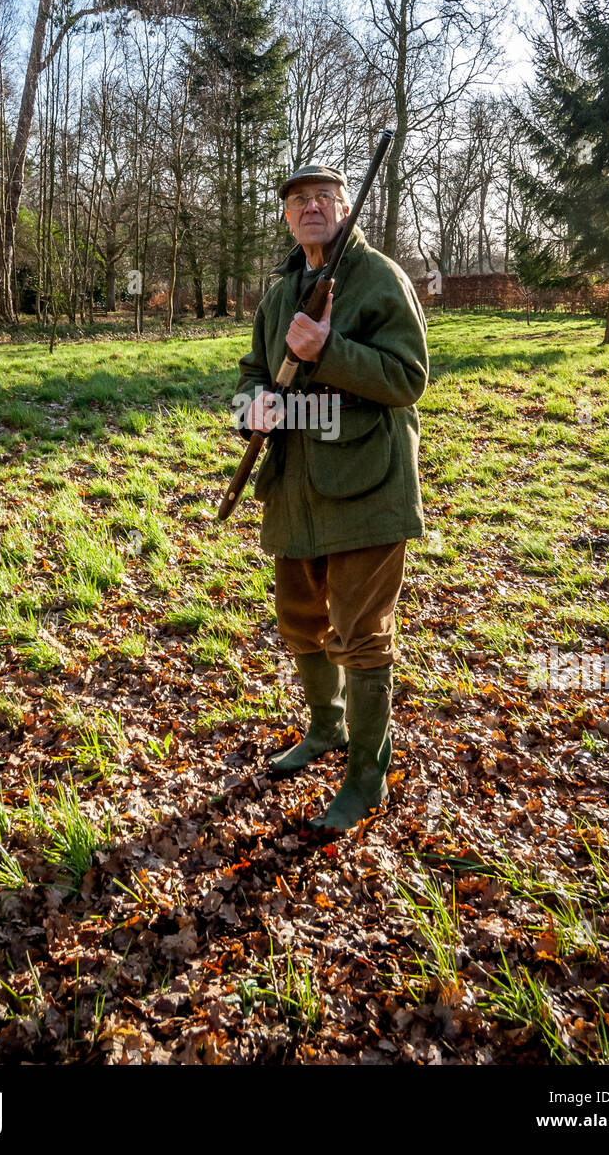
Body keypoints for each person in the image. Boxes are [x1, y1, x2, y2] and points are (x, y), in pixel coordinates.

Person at [233, 161, 429, 830]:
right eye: (298, 200)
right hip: (295, 488)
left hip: (366, 486)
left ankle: (366, 780)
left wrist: (331, 349)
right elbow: (254, 371)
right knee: (299, 621)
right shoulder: (281, 289)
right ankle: (327, 728)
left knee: (364, 639)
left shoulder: (379, 279)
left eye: (325, 197)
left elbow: (408, 378)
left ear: (345, 207)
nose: (311, 207)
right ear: (285, 216)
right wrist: (251, 406)